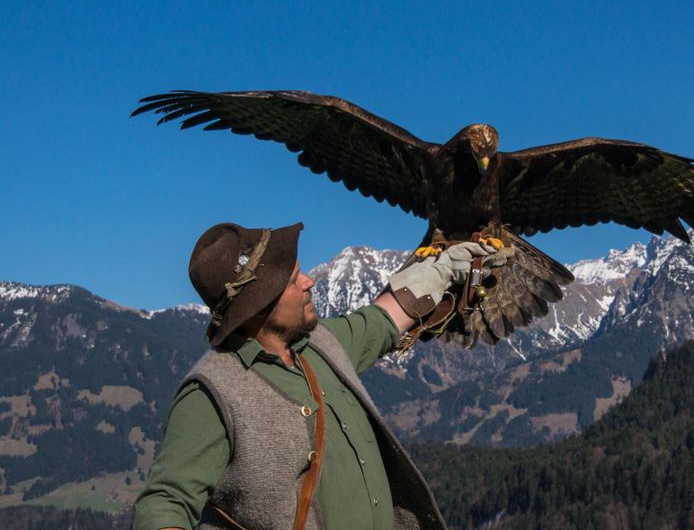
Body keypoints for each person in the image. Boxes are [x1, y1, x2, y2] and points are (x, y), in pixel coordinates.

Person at [131, 222, 509, 530]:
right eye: (294, 279)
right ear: (261, 302)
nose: (310, 281)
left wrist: (444, 268)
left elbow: (384, 318)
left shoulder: (321, 344)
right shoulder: (213, 392)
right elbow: (163, 506)